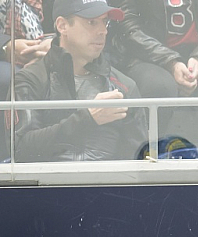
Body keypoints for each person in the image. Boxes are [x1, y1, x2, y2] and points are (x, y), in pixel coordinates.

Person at [9, 0, 146, 162]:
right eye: (91, 22)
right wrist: (87, 118)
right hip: (48, 185)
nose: (103, 31)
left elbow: (138, 158)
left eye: (105, 22)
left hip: (106, 185)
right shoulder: (30, 80)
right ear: (62, 26)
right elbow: (19, 151)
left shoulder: (124, 86)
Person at [110, 0, 198, 153]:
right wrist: (170, 61)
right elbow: (128, 24)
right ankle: (144, 160)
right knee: (158, 87)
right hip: (147, 54)